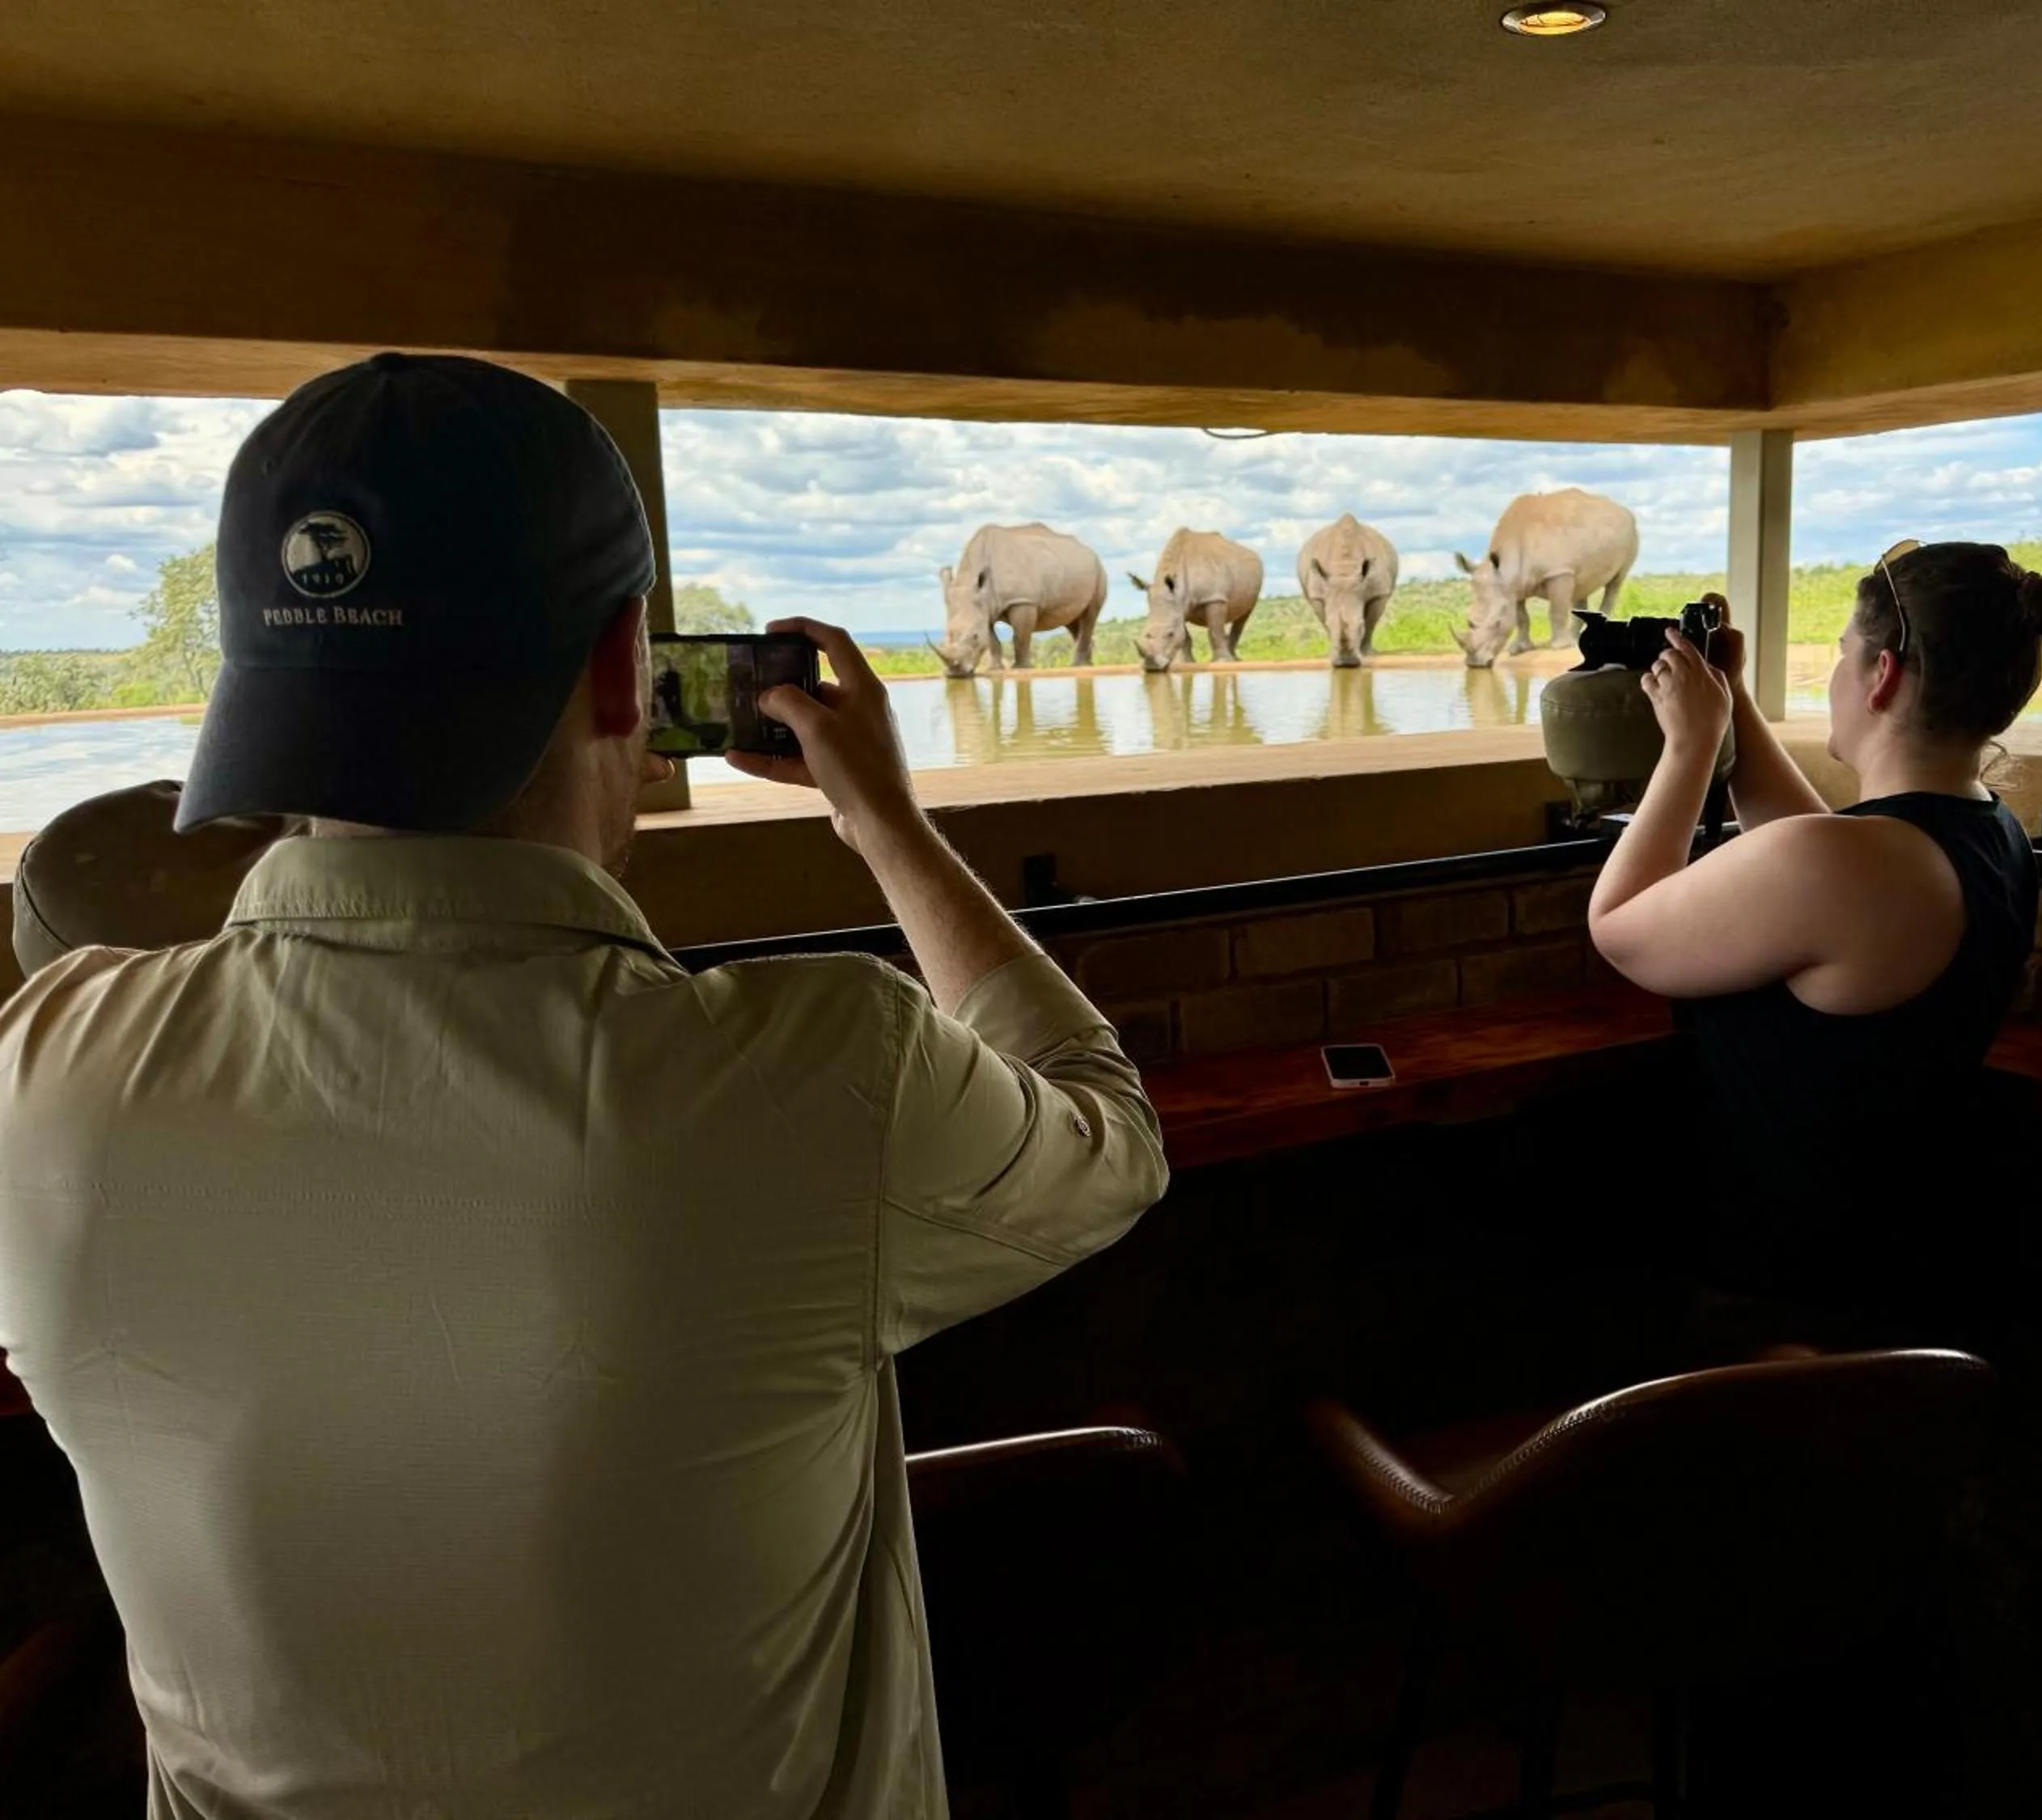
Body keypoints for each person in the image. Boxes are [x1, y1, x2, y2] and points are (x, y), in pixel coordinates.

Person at [0, 353, 1169, 1820]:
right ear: (628, 664)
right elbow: (1106, 1136)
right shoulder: (826, 1069)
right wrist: (885, 822)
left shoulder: (44, 1079)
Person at [1586, 541, 2042, 1338]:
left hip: (1776, 1295)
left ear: (1882, 675)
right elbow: (1814, 854)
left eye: (1841, 656)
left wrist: (1690, 747)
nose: (1834, 678)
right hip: (1894, 1265)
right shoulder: (1989, 833)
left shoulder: (1853, 863)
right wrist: (1735, 701)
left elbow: (1620, 929)